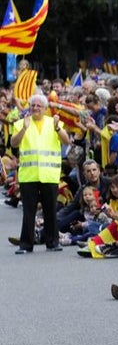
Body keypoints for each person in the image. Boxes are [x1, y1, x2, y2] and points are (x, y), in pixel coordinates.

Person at [13, 94, 71, 253]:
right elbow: (14, 143)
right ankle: (25, 244)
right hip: (28, 175)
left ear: (46, 109)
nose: (35, 108)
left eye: (39, 106)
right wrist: (24, 128)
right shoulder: (20, 123)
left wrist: (58, 127)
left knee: (50, 210)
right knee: (29, 211)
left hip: (49, 174)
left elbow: (66, 141)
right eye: (33, 105)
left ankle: (52, 243)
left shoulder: (54, 122)